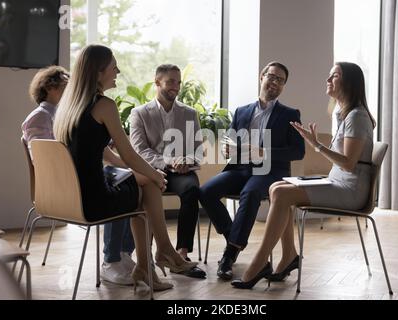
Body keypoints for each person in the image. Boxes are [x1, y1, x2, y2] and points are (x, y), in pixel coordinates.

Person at [53, 44, 197, 292]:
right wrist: (154, 174)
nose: (118, 71)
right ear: (98, 72)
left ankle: (149, 263)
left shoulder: (69, 106)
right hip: (94, 201)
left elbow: (107, 153)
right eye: (113, 67)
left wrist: (144, 174)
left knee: (144, 184)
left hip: (70, 196)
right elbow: (129, 153)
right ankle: (161, 253)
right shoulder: (104, 106)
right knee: (150, 185)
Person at [231, 62, 376, 289]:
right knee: (277, 187)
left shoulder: (357, 117)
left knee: (280, 193)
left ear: (349, 83)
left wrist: (316, 145)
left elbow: (348, 164)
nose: (328, 80)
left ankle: (259, 263)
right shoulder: (344, 114)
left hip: (351, 191)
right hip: (338, 182)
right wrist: (316, 144)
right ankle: (289, 255)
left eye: (334, 76)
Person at [21, 65, 137, 286]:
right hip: (62, 191)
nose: (73, 85)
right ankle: (113, 258)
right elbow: (45, 162)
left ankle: (122, 255)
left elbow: (102, 153)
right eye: (67, 81)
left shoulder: (70, 115)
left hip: (75, 181)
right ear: (50, 87)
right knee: (121, 189)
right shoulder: (39, 117)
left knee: (127, 180)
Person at [199, 61, 305, 280]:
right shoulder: (242, 111)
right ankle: (234, 238)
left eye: (281, 80)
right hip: (240, 168)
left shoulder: (290, 114)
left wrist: (263, 152)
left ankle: (229, 255)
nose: (275, 82)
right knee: (205, 191)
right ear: (262, 77)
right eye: (272, 77)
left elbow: (297, 151)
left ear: (283, 86)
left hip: (269, 172)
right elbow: (229, 140)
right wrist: (228, 148)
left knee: (251, 193)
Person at [129, 64, 206, 279]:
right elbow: (139, 150)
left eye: (178, 82)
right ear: (157, 82)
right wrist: (169, 162)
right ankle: (148, 258)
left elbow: (198, 150)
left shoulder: (190, 114)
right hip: (153, 171)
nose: (176, 86)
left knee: (191, 190)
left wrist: (186, 160)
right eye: (171, 81)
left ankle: (181, 252)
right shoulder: (139, 113)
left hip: (182, 172)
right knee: (148, 194)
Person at [22, 65, 69, 157]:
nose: (69, 91)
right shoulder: (40, 116)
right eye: (65, 85)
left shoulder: (60, 116)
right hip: (57, 170)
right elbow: (41, 157)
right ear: (48, 87)